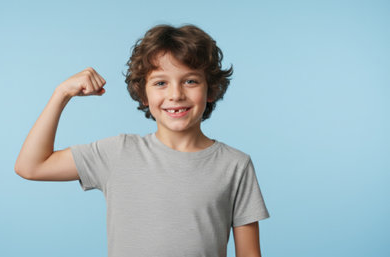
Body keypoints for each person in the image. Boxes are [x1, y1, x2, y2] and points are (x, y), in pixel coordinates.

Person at [15, 24, 270, 257]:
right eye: (160, 83)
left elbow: (249, 253)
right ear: (143, 94)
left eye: (190, 81)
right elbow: (31, 166)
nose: (175, 94)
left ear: (211, 89)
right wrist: (61, 94)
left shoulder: (236, 165)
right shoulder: (117, 153)